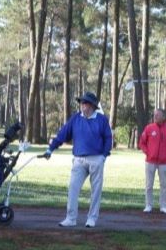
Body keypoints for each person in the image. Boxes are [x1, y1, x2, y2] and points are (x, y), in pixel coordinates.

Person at [42, 92, 113, 228]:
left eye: (85, 103)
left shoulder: (101, 119)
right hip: (78, 159)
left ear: (92, 106)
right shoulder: (75, 118)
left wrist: (104, 156)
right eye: (81, 103)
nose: (82, 106)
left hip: (96, 158)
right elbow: (63, 134)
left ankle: (92, 219)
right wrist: (50, 149)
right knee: (73, 188)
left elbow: (108, 138)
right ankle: (71, 218)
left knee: (96, 190)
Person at [139, 108, 166, 214]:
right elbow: (142, 142)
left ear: (163, 117)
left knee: (164, 185)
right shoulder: (149, 128)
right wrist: (148, 153)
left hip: (164, 162)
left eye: (158, 115)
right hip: (150, 161)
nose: (155, 116)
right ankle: (148, 205)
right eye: (154, 115)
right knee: (149, 185)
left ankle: (163, 206)